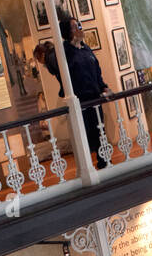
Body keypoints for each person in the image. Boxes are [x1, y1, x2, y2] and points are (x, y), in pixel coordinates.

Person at [43, 16, 109, 170]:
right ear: (67, 31)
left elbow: (96, 71)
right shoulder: (64, 51)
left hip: (94, 99)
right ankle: (87, 168)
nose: (79, 28)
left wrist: (103, 87)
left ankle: (104, 162)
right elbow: (55, 68)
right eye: (74, 26)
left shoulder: (85, 48)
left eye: (78, 25)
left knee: (100, 132)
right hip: (80, 102)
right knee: (84, 136)